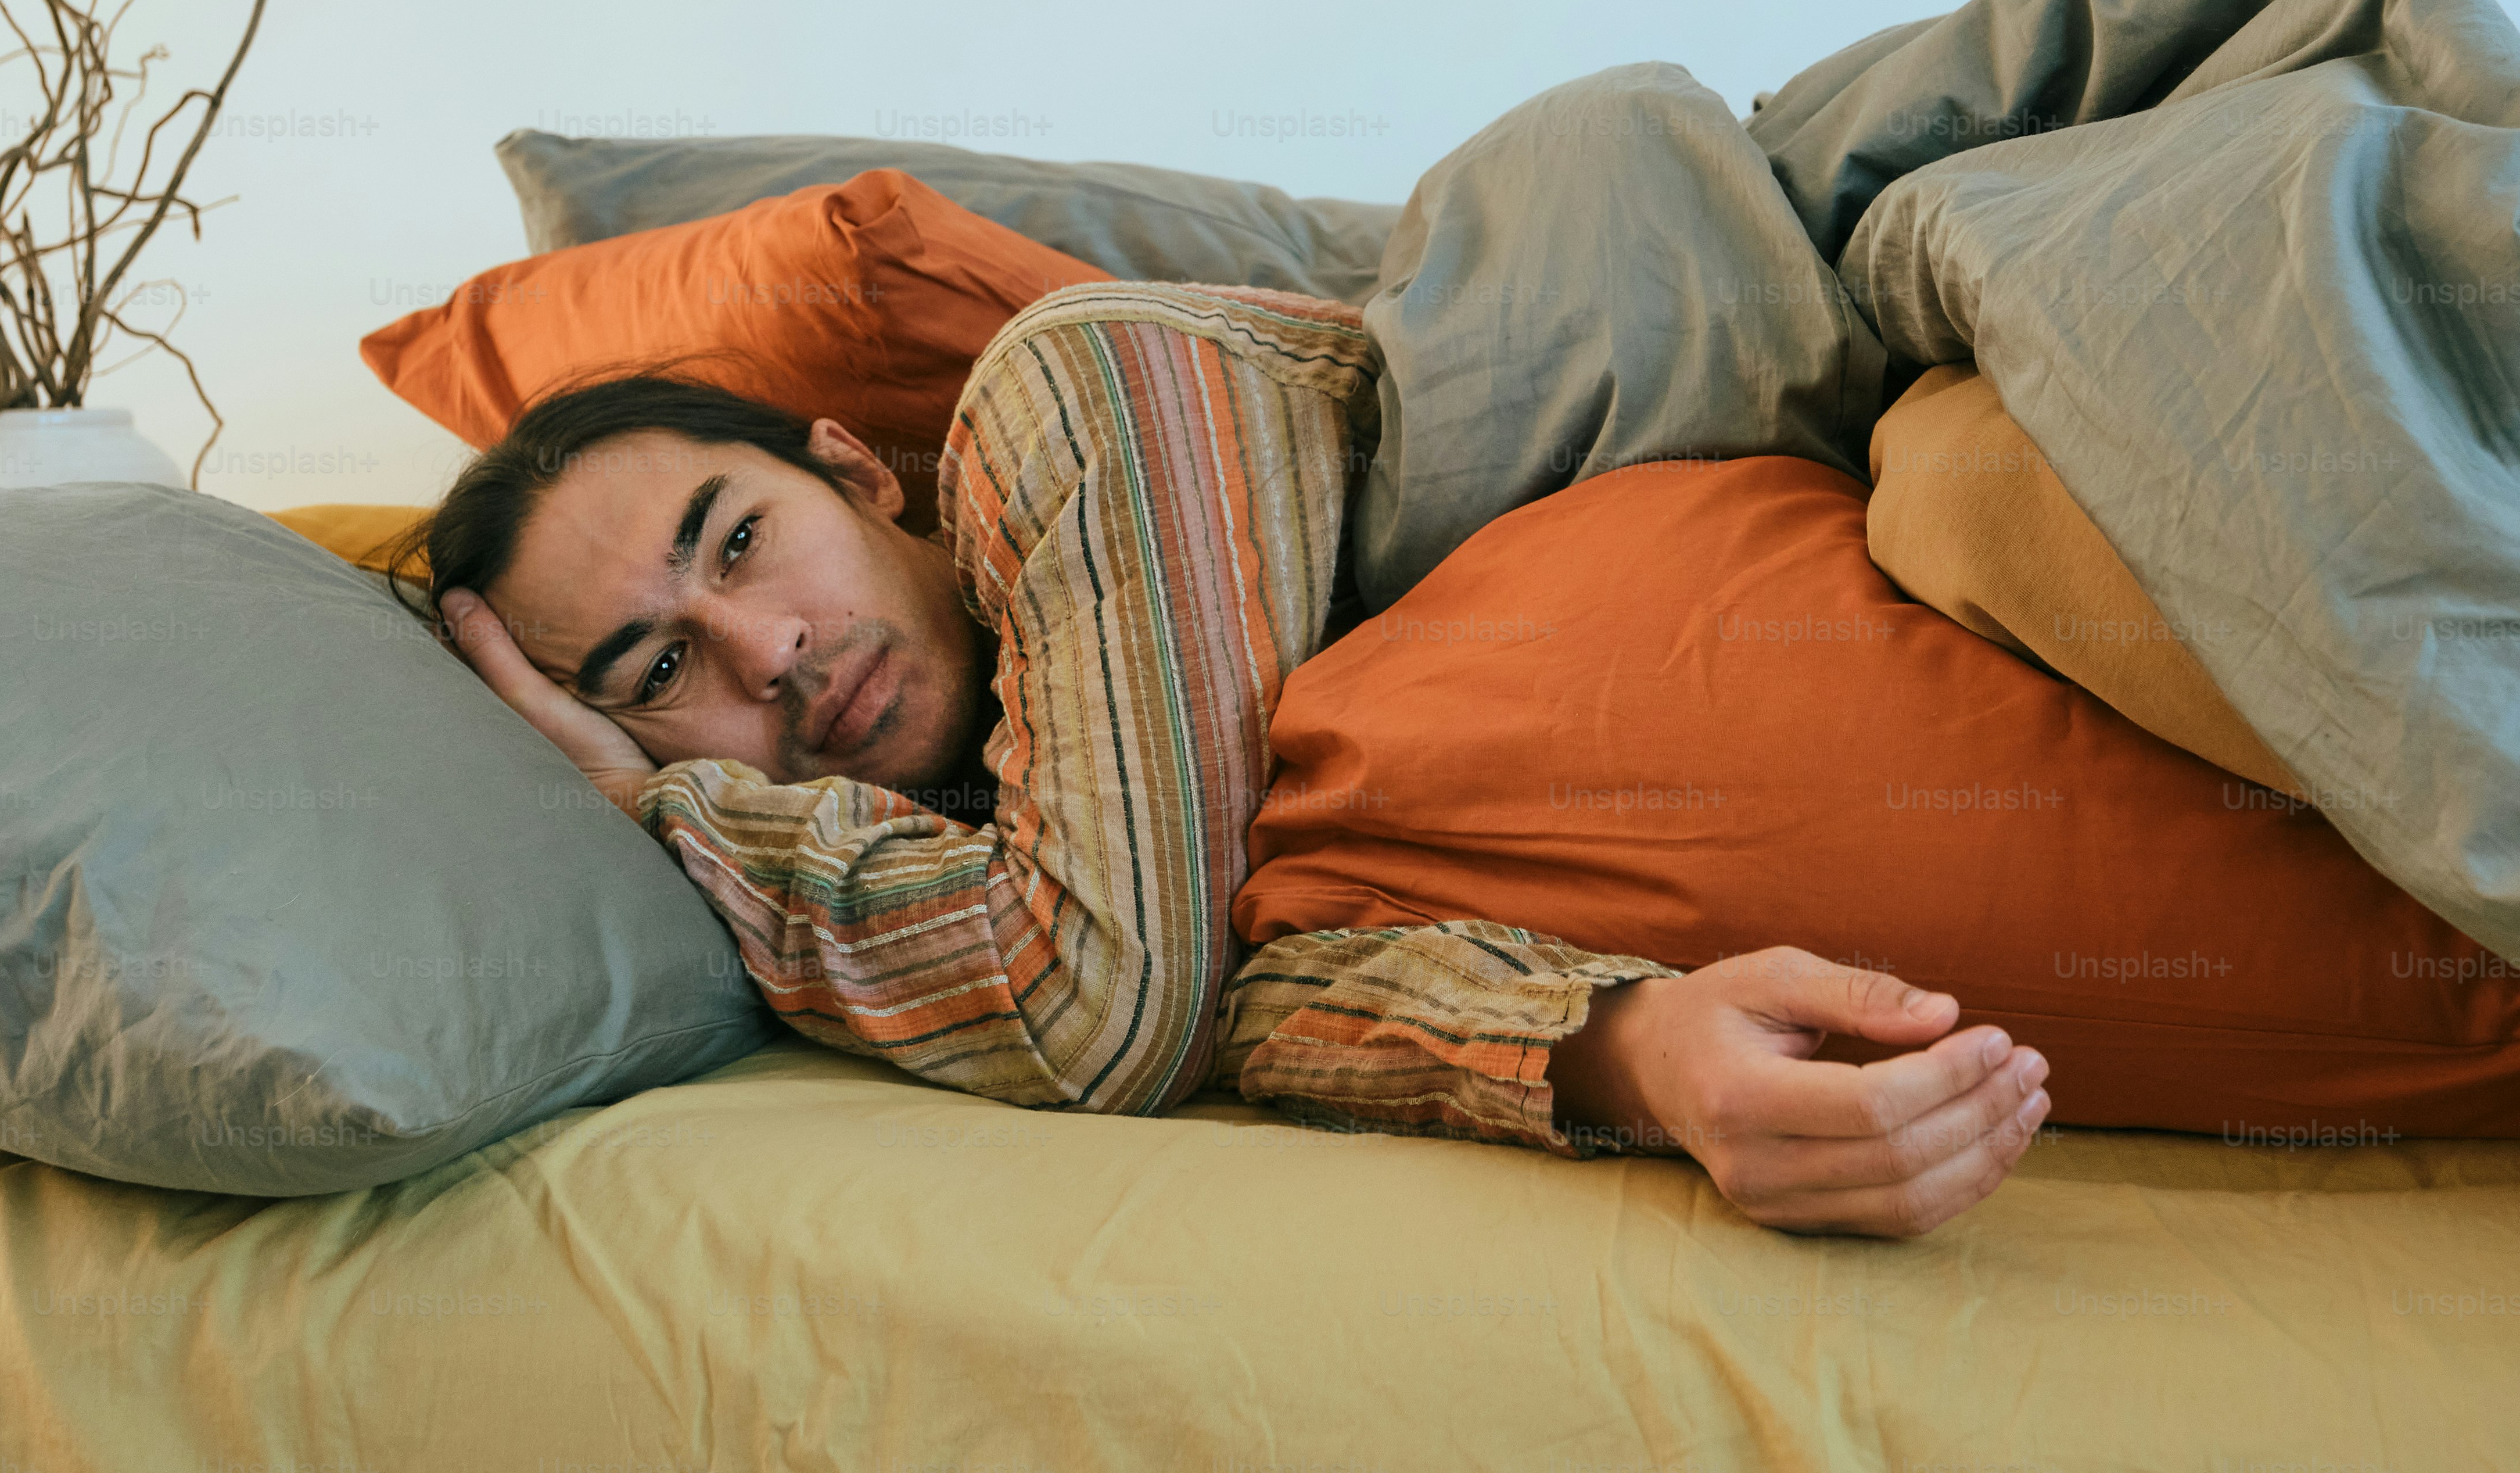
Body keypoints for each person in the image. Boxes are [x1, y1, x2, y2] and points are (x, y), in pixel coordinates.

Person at [417, 278, 2052, 1242]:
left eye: (744, 540)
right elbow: (1231, 993)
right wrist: (1632, 1044)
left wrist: (667, 796)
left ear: (859, 468)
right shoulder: (1063, 853)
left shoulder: (1068, 391)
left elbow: (1104, 1008)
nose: (764, 649)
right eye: (659, 668)